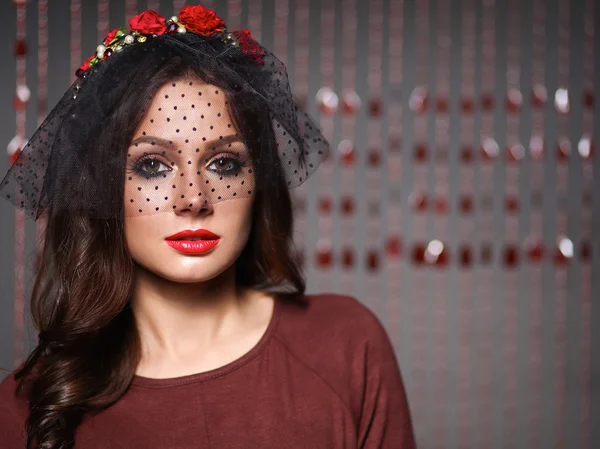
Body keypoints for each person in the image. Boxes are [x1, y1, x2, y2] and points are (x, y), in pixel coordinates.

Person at [0, 4, 416, 449]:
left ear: (257, 179)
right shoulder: (25, 410)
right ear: (102, 187)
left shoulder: (345, 345)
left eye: (223, 163)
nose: (193, 198)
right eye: (152, 166)